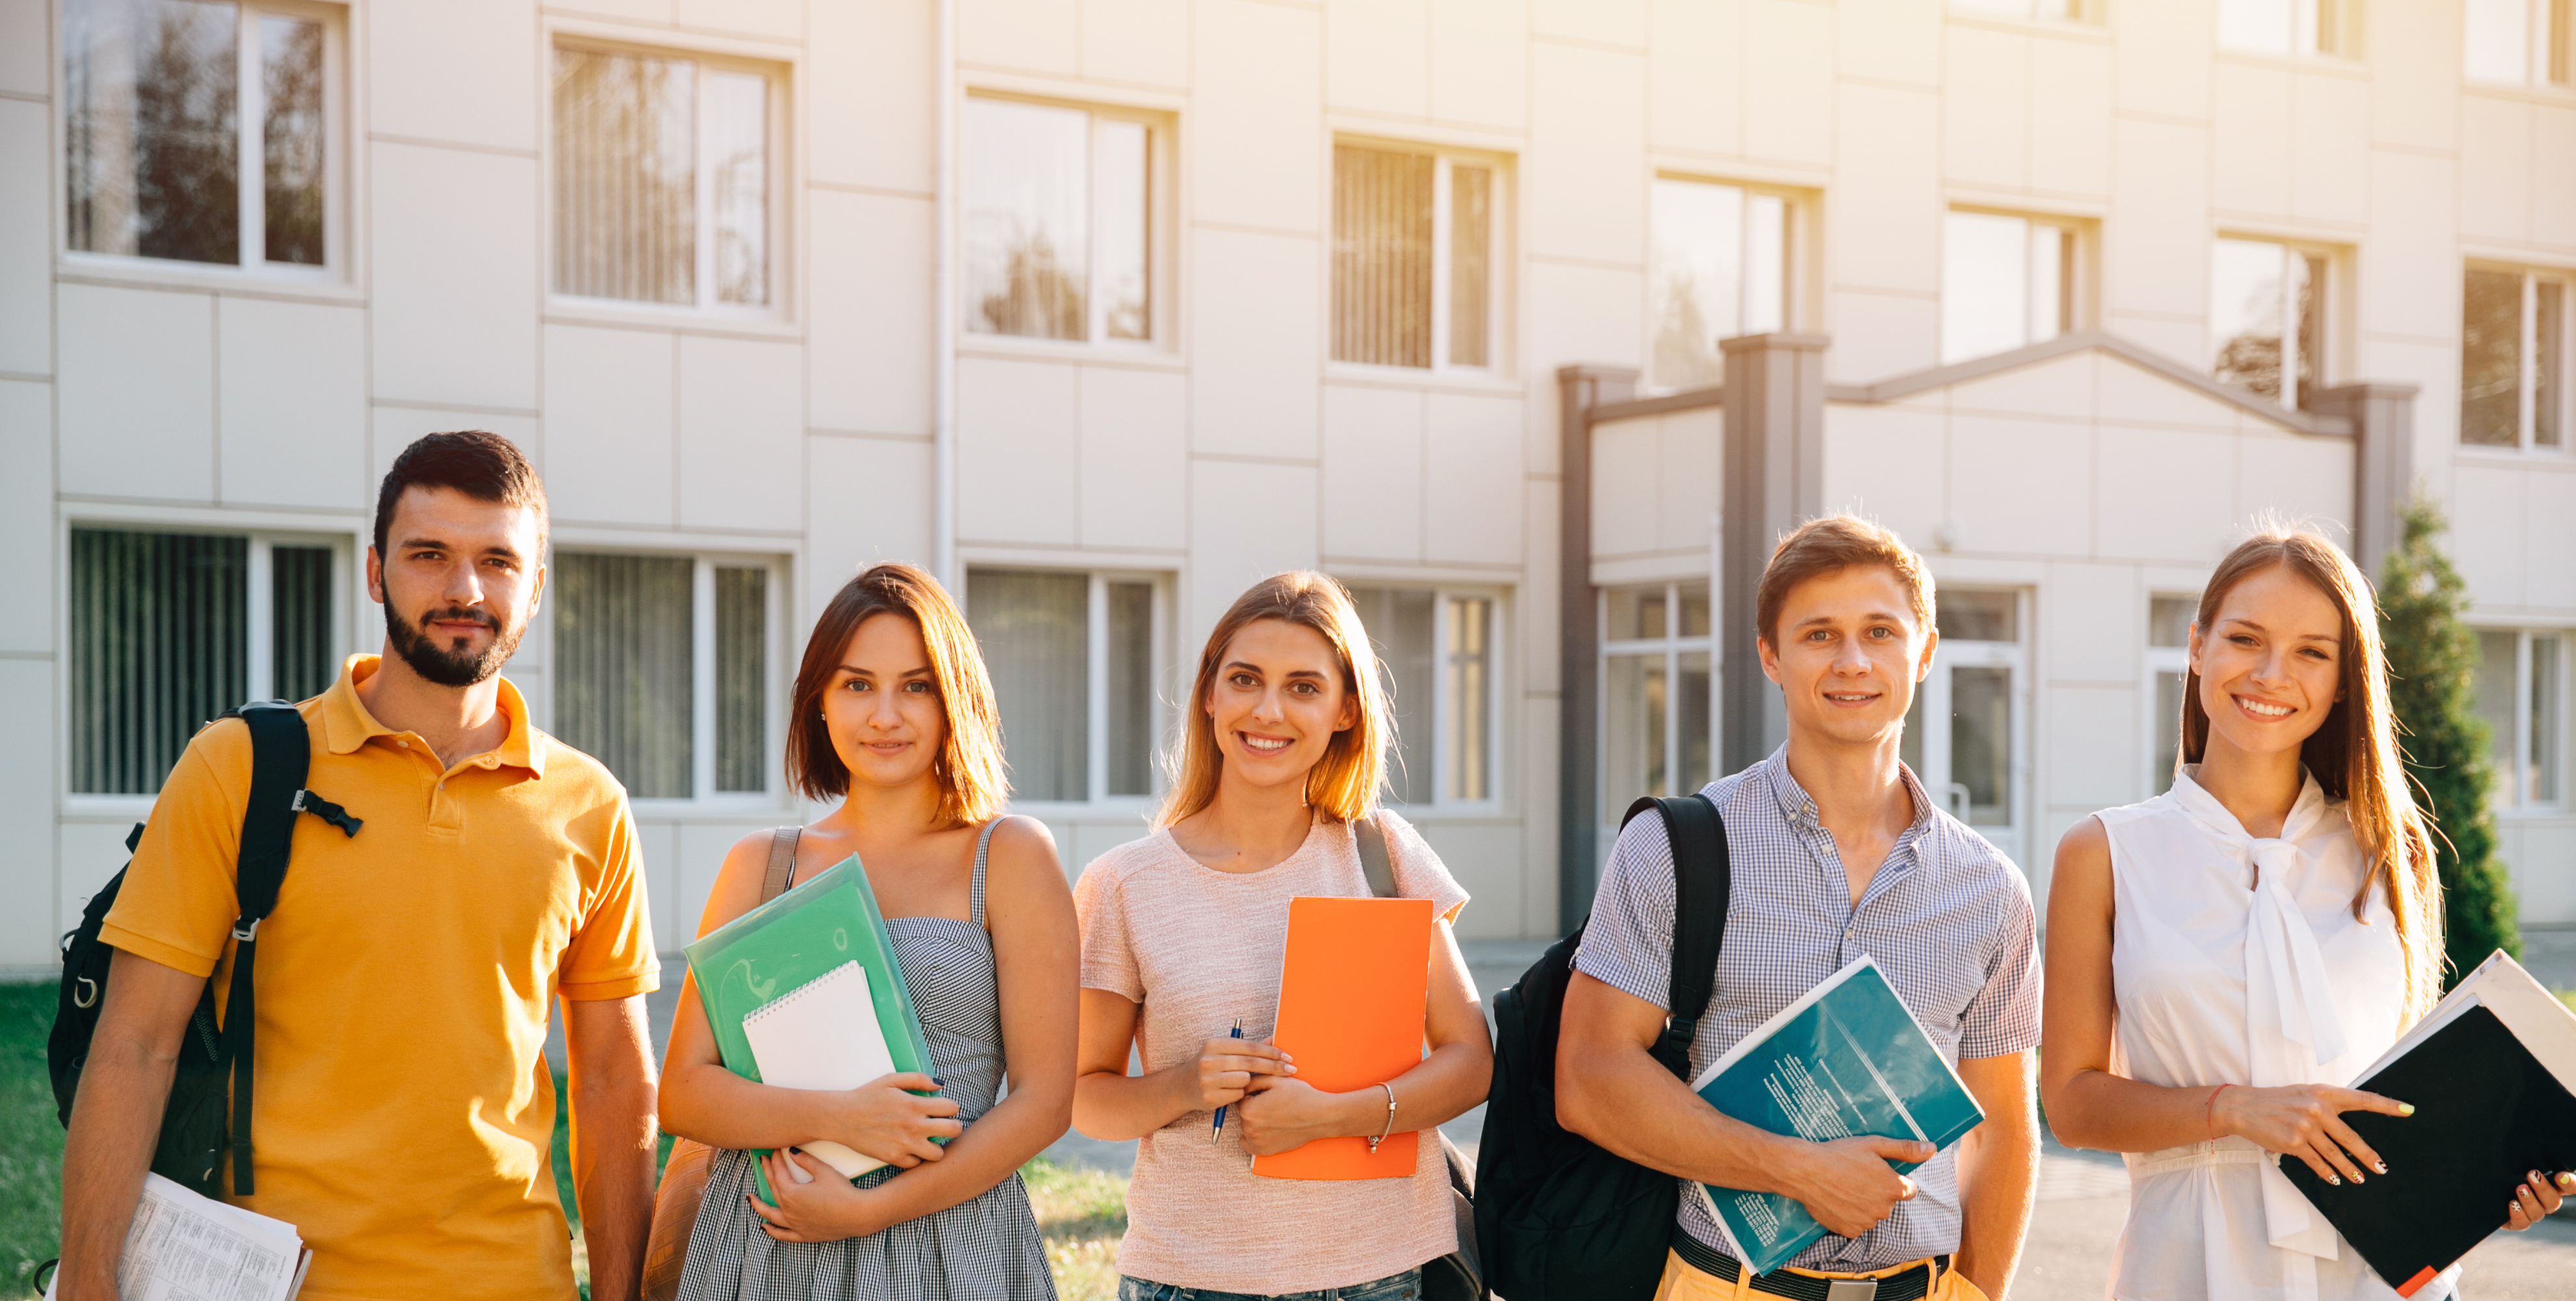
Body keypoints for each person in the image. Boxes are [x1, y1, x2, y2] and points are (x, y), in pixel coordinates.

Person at [60, 431, 662, 1301]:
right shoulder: (239, 768)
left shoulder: (590, 805)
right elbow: (135, 1044)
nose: (464, 590)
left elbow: (612, 1081)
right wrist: (86, 1279)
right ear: (377, 573)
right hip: (273, 1283)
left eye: (497, 561)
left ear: (535, 587)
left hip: (511, 1282)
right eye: (430, 555)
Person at [2039, 525, 2571, 1301]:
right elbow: (2074, 1105)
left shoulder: (2391, 849)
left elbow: (2414, 1093)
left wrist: (2493, 1182)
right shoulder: (2104, 851)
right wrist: (2238, 1109)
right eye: (2245, 638)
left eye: (2312, 652)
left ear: (2344, 680)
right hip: (2193, 1264)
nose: (2271, 673)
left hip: (2383, 1271)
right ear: (2196, 647)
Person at [1558, 515, 2042, 1301]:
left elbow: (2005, 1132)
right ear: (1771, 657)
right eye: (1820, 634)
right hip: (1722, 1284)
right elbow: (1589, 1076)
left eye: (1879, 631)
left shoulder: (1989, 889)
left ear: (1923, 652)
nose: (1852, 660)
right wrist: (1798, 1170)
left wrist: (1979, 1293)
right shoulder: (1677, 846)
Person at [1069, 571, 1492, 1301]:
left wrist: (1331, 1115)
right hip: (1191, 1276)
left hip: (1380, 1272)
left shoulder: (1383, 854)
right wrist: (1183, 1083)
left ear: (1346, 710)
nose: (1268, 709)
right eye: (1245, 679)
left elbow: (1470, 1060)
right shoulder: (1124, 884)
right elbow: (1081, 1096)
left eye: (1303, 686)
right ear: (1210, 694)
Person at [660, 563, 1075, 1301]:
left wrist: (869, 1210)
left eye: (916, 685)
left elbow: (1044, 1102)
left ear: (955, 702)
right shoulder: (761, 864)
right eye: (857, 684)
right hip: (769, 1243)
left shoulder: (1008, 855)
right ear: (819, 700)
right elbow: (684, 1094)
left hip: (950, 1244)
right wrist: (842, 1115)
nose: (885, 714)